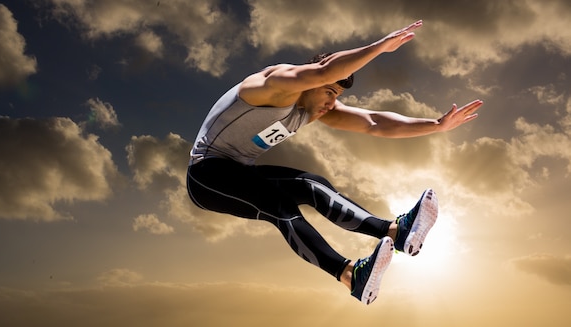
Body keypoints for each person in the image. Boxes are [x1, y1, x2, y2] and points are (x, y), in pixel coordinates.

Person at [186, 20, 483, 305]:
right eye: (329, 91)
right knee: (280, 206)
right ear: (312, 81)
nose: (332, 103)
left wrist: (436, 125)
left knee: (312, 185)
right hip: (205, 175)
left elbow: (373, 122)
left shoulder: (317, 107)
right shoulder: (273, 85)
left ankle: (396, 231)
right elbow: (324, 70)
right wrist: (379, 47)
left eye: (337, 95)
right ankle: (351, 276)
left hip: (239, 170)